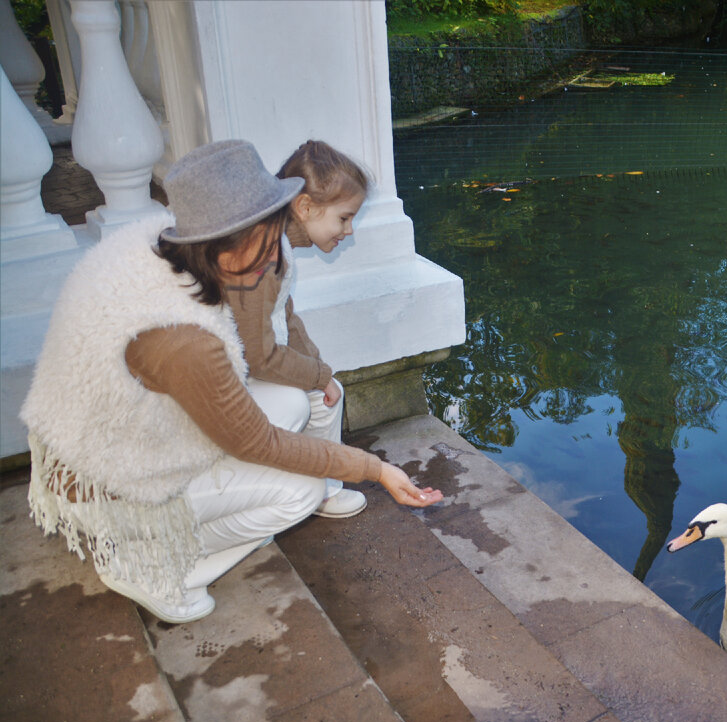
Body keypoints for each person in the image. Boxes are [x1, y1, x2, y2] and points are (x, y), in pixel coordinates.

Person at [20, 139, 443, 625]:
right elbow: (255, 440)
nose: (273, 261)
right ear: (225, 242)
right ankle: (153, 564)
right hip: (103, 485)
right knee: (298, 493)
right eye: (266, 243)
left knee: (293, 406)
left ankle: (178, 529)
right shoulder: (184, 342)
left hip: (118, 436)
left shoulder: (167, 250)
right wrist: (375, 468)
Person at [227, 140, 369, 518]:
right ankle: (250, 503)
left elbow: (285, 317)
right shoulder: (263, 254)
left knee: (326, 397)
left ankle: (323, 490)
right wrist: (317, 375)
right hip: (232, 377)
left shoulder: (276, 243)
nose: (349, 230)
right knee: (296, 403)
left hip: (249, 365)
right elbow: (258, 356)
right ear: (305, 207)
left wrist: (320, 371)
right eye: (344, 218)